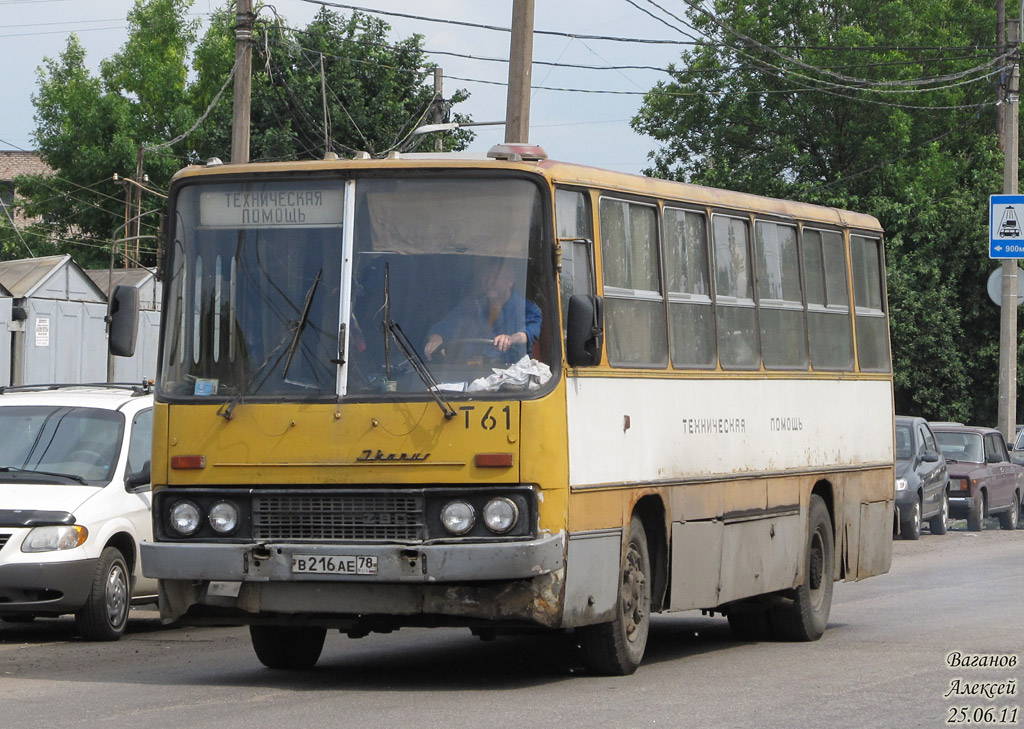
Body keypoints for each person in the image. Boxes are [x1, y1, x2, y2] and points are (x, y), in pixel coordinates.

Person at [424, 259, 541, 365]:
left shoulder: (527, 309)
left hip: (507, 376)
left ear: (510, 281)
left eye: (495, 278)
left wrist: (510, 339)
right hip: (467, 373)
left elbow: (529, 333)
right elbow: (446, 325)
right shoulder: (472, 306)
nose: (489, 282)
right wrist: (436, 338)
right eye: (486, 277)